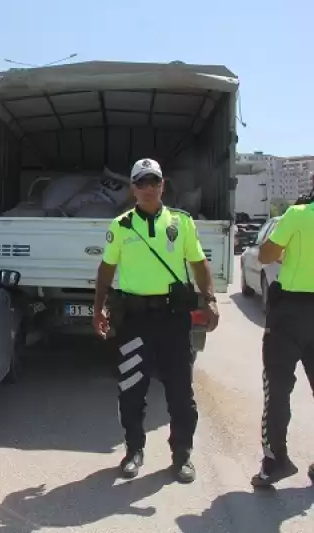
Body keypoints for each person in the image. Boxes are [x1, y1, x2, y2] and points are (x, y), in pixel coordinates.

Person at [92, 158, 219, 484]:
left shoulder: (181, 222)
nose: (148, 188)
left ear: (163, 185)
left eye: (154, 181)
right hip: (134, 322)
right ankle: (134, 450)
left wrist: (211, 300)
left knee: (180, 393)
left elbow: (200, 264)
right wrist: (98, 309)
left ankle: (182, 456)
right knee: (132, 390)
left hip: (174, 320)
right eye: (141, 182)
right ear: (133, 189)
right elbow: (106, 270)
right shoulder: (120, 226)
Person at [251, 191, 314, 487]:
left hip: (290, 315)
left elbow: (266, 255)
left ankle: (276, 462)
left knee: (276, 391)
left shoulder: (298, 215)